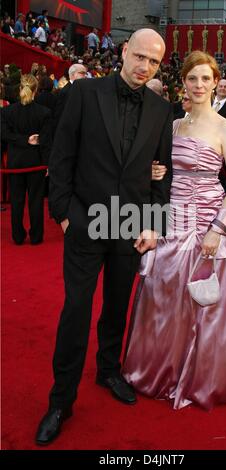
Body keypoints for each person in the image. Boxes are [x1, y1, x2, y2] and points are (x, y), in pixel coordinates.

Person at [35, 28, 173, 445]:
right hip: (85, 220)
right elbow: (60, 158)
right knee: (76, 309)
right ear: (124, 52)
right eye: (140, 56)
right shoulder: (83, 94)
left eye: (153, 61)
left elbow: (161, 174)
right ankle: (61, 400)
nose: (144, 65)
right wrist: (63, 215)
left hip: (130, 223)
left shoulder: (161, 109)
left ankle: (109, 370)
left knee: (117, 305)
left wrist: (153, 223)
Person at [122, 50, 226, 411]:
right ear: (183, 82)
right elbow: (162, 167)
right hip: (170, 217)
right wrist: (155, 173)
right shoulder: (174, 124)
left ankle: (201, 377)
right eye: (192, 78)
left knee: (204, 300)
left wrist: (217, 229)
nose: (199, 85)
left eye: (206, 79)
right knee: (163, 293)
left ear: (216, 84)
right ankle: (160, 369)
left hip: (208, 218)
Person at [1, 74, 52, 244]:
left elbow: (4, 134)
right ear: (36, 90)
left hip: (15, 163)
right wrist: (47, 164)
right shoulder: (44, 113)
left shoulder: (7, 111)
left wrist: (21, 140)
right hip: (36, 162)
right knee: (36, 201)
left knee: (17, 201)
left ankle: (18, 236)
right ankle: (36, 237)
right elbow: (45, 142)